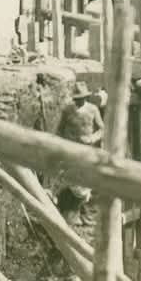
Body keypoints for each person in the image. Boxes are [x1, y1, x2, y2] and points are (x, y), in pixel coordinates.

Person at [55, 83, 104, 222]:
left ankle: (86, 214)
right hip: (71, 151)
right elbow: (60, 130)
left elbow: (102, 129)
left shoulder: (93, 110)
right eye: (77, 99)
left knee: (87, 181)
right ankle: (71, 214)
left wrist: (92, 138)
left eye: (82, 98)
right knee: (72, 181)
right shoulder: (67, 110)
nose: (79, 101)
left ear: (86, 97)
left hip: (87, 150)